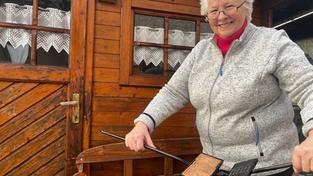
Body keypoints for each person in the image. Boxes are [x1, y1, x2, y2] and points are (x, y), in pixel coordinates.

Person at [125, 0, 313, 175]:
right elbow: (173, 91)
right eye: (213, 10)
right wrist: (143, 123)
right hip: (213, 163)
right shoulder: (201, 51)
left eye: (229, 6)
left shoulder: (273, 43)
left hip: (265, 168)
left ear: (246, 7)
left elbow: (308, 86)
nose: (221, 16)